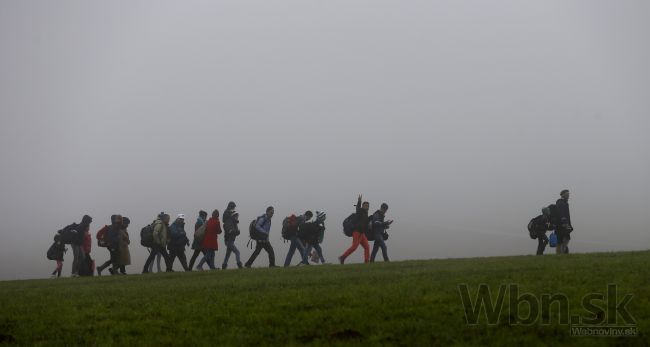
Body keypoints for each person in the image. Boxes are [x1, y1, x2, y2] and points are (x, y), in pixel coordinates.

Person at [339, 195, 371, 264]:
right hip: (357, 232)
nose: (367, 207)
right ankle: (342, 257)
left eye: (367, 206)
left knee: (367, 247)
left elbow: (365, 223)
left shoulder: (365, 214)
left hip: (362, 234)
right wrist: (359, 201)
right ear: (363, 206)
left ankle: (366, 261)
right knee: (354, 247)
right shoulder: (360, 211)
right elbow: (357, 208)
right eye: (365, 205)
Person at [222, 202, 243, 269]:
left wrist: (237, 232)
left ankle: (224, 265)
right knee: (237, 252)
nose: (237, 218)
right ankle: (239, 264)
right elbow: (230, 231)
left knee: (228, 254)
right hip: (229, 240)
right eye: (236, 216)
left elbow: (233, 231)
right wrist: (236, 231)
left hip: (230, 240)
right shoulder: (230, 222)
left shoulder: (233, 223)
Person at [555, 189, 573, 254]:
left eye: (568, 194)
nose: (568, 195)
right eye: (567, 194)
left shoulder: (563, 203)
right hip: (562, 225)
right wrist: (566, 225)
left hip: (561, 225)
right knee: (563, 240)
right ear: (563, 195)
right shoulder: (561, 203)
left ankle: (562, 253)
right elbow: (562, 215)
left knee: (562, 240)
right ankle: (561, 253)